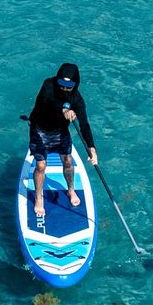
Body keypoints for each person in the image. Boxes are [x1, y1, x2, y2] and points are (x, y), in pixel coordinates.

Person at [27, 62, 97, 218]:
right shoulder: (48, 85)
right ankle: (39, 198)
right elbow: (46, 103)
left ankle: (70, 189)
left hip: (60, 132)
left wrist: (91, 148)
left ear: (75, 84)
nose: (65, 88)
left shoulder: (77, 99)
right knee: (41, 165)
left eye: (69, 86)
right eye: (62, 84)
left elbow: (84, 124)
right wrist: (64, 109)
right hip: (40, 130)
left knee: (68, 161)